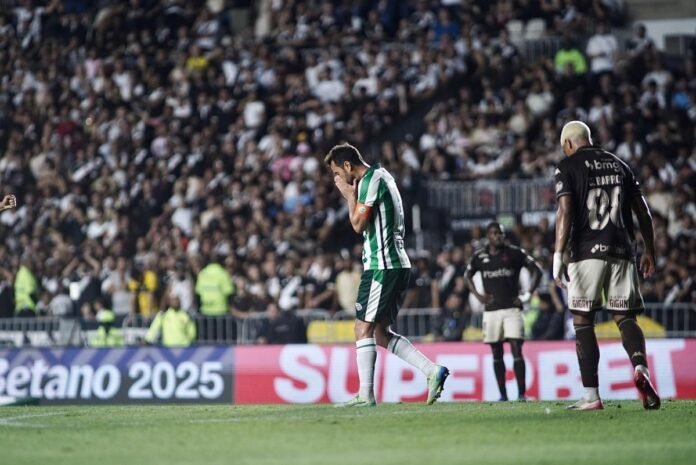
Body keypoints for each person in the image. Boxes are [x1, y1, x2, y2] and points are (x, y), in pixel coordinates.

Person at [326, 143, 448, 407]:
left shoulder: (371, 180)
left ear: (347, 165)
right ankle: (432, 371)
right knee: (380, 333)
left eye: (337, 172)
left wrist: (348, 195)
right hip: (393, 263)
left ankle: (365, 395)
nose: (337, 179)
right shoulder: (381, 176)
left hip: (382, 265)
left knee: (362, 328)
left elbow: (358, 225)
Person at [553, 121, 661, 410]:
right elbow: (643, 212)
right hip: (622, 250)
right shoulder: (620, 165)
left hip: (585, 252)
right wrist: (649, 250)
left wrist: (558, 254)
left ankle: (591, 396)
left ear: (569, 144)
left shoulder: (567, 166)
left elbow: (565, 210)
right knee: (625, 318)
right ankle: (641, 368)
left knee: (582, 320)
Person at [465, 222, 543, 401]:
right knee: (496, 352)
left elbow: (537, 271)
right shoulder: (479, 256)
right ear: (488, 236)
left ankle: (522, 394)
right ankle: (503, 395)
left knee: (517, 349)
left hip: (512, 309)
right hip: (491, 311)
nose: (498, 236)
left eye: (500, 233)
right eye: (494, 233)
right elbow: (467, 275)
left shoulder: (515, 253)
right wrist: (478, 296)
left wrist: (527, 295)